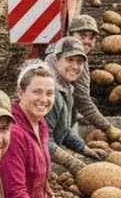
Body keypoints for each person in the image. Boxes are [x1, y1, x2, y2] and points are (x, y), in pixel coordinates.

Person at [0, 61, 81, 198]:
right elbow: (13, 194)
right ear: (20, 92)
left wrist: (42, 186)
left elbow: (32, 166)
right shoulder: (14, 133)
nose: (44, 99)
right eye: (37, 92)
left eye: (49, 93)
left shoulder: (40, 124)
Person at [59, 14, 121, 145]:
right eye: (82, 35)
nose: (87, 41)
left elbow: (79, 96)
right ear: (70, 35)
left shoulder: (76, 55)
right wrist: (109, 129)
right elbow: (82, 100)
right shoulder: (64, 58)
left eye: (91, 37)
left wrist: (77, 114)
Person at [45, 36, 108, 174]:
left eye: (79, 62)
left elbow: (64, 130)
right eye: (69, 60)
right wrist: (70, 162)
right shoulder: (48, 92)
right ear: (55, 59)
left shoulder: (66, 89)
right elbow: (42, 140)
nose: (75, 66)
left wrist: (84, 149)